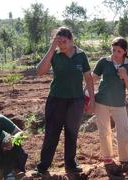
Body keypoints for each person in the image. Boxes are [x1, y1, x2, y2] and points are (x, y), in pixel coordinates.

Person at [35, 26, 95, 174]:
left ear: (71, 40)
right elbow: (40, 71)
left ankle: (70, 164)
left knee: (72, 133)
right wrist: (51, 48)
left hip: (76, 101)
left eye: (64, 41)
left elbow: (88, 77)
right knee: (51, 133)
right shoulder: (54, 54)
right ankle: (43, 166)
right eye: (58, 41)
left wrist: (92, 99)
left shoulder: (81, 55)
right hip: (56, 100)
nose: (61, 44)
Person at [92, 37, 128, 168]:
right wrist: (85, 94)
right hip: (102, 102)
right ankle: (107, 158)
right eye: (113, 50)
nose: (115, 54)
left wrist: (125, 76)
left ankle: (125, 158)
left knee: (123, 131)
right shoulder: (104, 62)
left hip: (119, 103)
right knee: (104, 131)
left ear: (125, 51)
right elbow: (93, 78)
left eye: (119, 51)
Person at [0, 113, 28, 179]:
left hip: (2, 148)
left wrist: (11, 140)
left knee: (16, 144)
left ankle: (11, 173)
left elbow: (20, 134)